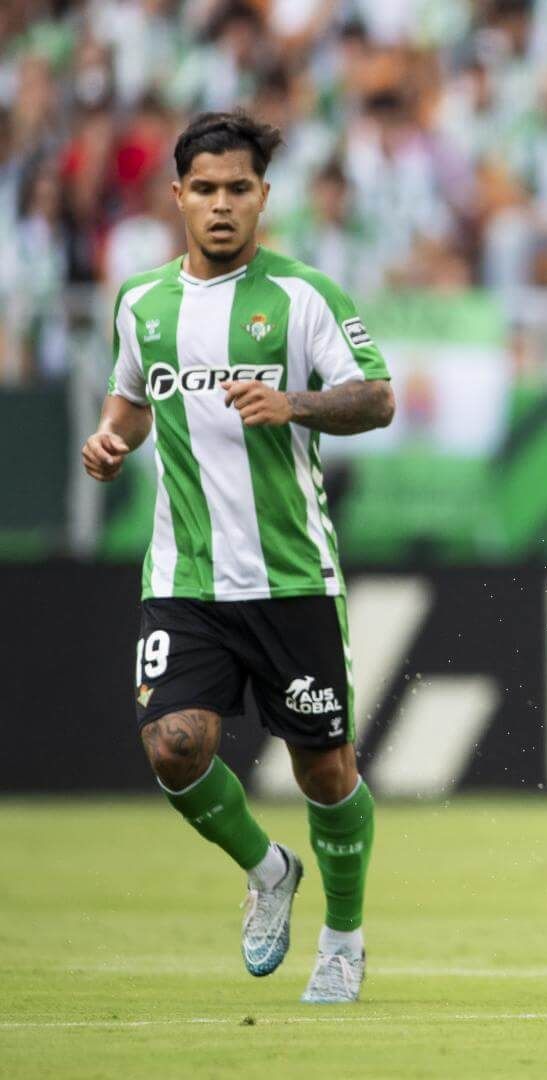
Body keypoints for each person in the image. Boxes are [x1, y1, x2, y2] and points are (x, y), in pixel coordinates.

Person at [80, 111, 395, 1005]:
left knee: (325, 770)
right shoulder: (141, 304)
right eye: (206, 190)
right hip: (184, 579)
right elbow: (132, 402)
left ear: (264, 197)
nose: (222, 207)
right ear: (177, 195)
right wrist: (111, 441)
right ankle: (267, 871)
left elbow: (376, 400)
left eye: (239, 190)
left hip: (293, 575)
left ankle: (343, 936)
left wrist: (292, 406)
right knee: (175, 746)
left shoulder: (304, 297)